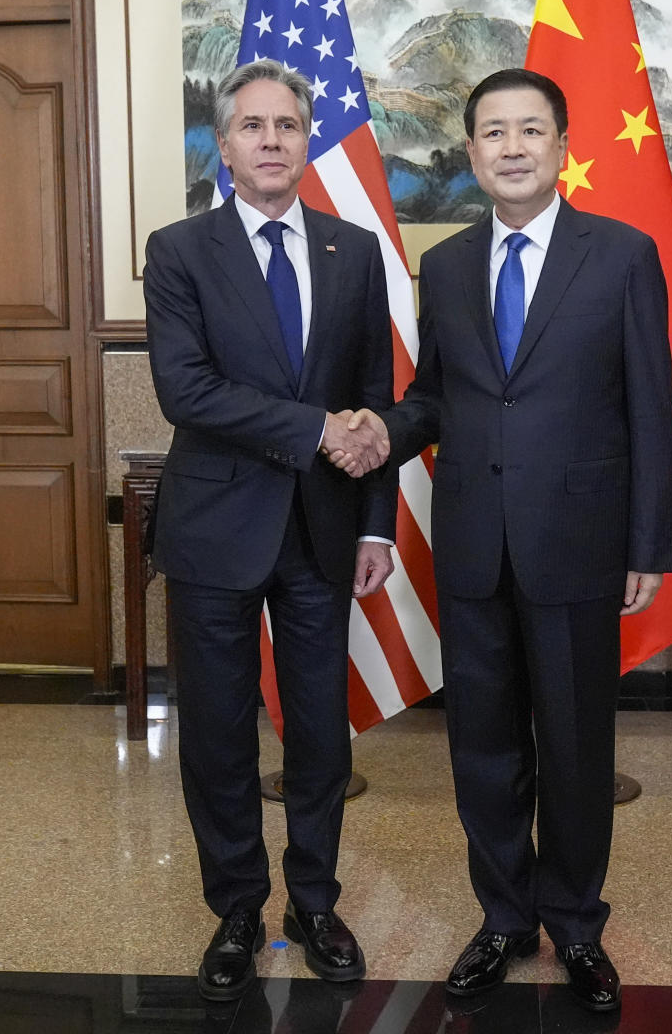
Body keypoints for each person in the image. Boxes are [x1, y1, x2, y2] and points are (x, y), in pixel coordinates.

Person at [335, 68, 672, 1012]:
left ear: (564, 147)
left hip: (579, 540)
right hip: (476, 545)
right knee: (483, 748)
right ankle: (502, 918)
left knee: (574, 745)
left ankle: (574, 925)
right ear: (474, 151)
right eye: (494, 132)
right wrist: (380, 430)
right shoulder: (444, 265)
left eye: (532, 130)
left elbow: (654, 404)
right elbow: (437, 396)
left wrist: (651, 539)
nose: (514, 147)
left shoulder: (620, 255)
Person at [143, 59, 394, 1001]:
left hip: (324, 532)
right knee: (216, 731)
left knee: (321, 730)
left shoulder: (351, 250)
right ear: (225, 145)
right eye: (253, 127)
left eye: (288, 125)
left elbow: (373, 399)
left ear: (308, 138)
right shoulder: (178, 250)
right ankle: (238, 906)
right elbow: (187, 390)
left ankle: (314, 903)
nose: (272, 141)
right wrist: (312, 430)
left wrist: (376, 527)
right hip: (215, 527)